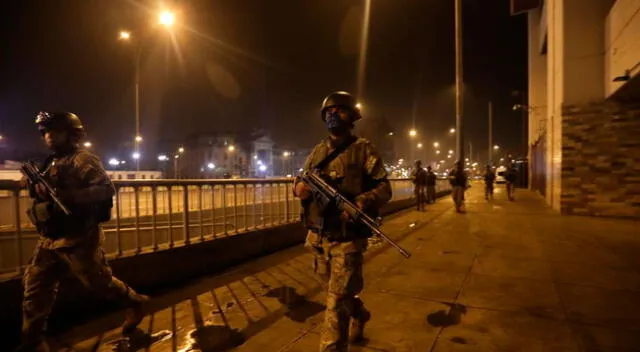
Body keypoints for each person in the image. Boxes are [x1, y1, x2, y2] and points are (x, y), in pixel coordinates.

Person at [17, 112, 148, 352]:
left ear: (71, 134)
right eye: (45, 132)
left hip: (78, 237)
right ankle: (33, 342)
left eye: (54, 132)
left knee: (100, 283)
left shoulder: (82, 159)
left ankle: (135, 302)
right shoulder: (51, 162)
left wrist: (69, 197)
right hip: (50, 239)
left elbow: (105, 189)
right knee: (34, 290)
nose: (48, 137)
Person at [293, 91, 392, 352]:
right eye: (328, 112)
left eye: (339, 110)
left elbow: (385, 188)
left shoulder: (364, 150)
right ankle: (359, 313)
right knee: (336, 294)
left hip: (347, 239)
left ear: (352, 117)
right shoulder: (318, 151)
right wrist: (299, 188)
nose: (333, 115)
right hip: (318, 239)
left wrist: (362, 201)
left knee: (335, 303)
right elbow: (300, 180)